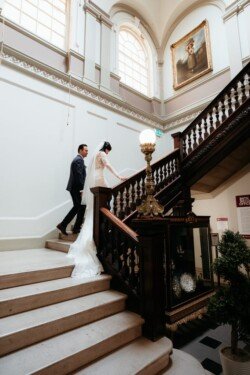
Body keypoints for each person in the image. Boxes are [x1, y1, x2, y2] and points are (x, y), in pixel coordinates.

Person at [68, 141, 126, 278]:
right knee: (107, 198)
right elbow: (108, 165)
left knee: (95, 206)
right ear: (106, 149)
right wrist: (119, 176)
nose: (108, 153)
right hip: (99, 179)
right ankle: (101, 223)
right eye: (108, 151)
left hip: (95, 179)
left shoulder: (94, 155)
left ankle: (97, 224)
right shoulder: (101, 153)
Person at [57, 144, 88, 235]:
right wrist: (82, 190)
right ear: (80, 150)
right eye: (86, 150)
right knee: (79, 206)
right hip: (76, 188)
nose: (87, 152)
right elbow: (79, 176)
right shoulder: (79, 160)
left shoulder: (78, 160)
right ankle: (66, 225)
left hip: (75, 188)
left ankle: (72, 227)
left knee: (80, 207)